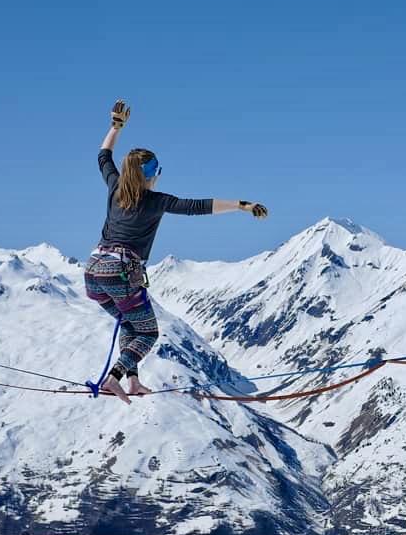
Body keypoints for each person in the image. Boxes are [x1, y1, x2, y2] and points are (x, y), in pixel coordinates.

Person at [85, 99, 268, 404]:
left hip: (93, 272)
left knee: (132, 325)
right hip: (121, 273)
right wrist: (240, 205)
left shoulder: (114, 186)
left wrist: (116, 127)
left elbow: (103, 156)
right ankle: (112, 379)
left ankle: (132, 381)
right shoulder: (156, 201)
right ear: (150, 175)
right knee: (148, 334)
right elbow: (198, 207)